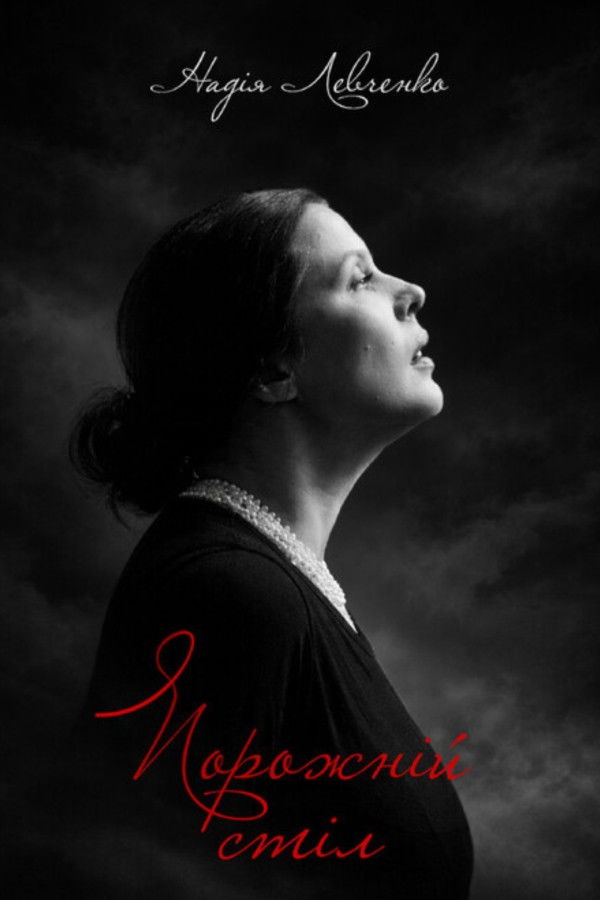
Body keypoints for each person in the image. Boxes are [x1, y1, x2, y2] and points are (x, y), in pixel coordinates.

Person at [66, 188, 473, 899]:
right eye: (359, 279)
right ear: (273, 371)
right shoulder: (226, 596)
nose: (411, 291)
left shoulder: (273, 581)